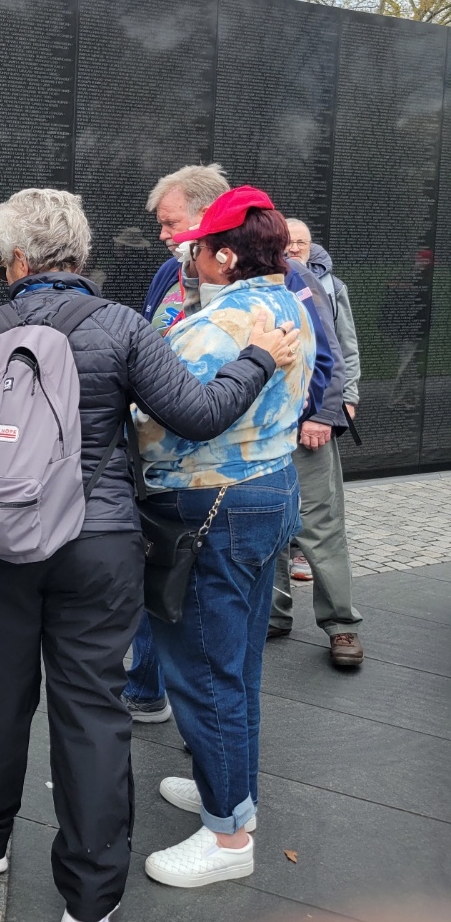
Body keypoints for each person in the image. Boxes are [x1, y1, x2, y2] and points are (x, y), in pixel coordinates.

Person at [0, 188, 300, 922]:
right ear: (82, 255)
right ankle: (92, 896)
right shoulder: (123, 327)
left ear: (15, 260)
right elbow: (195, 415)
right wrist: (259, 358)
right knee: (92, 710)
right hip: (97, 546)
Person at [136, 186, 315, 889]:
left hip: (211, 508)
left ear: (226, 255)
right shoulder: (287, 305)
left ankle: (227, 838)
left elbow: (159, 413)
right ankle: (234, 796)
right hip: (269, 495)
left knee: (205, 673)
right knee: (237, 668)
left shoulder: (220, 324)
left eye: (199, 246)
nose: (191, 256)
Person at [124, 164, 233, 724]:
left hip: (211, 477)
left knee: (201, 608)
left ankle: (210, 756)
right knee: (157, 574)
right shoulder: (170, 271)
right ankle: (145, 687)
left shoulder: (248, 285)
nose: (163, 236)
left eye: (170, 223)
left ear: (207, 215)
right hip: (158, 463)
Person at [269, 220, 364, 666]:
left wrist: (326, 413)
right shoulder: (248, 279)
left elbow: (334, 349)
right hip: (267, 430)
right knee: (269, 526)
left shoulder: (307, 280)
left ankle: (341, 625)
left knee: (321, 527)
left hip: (308, 426)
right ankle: (273, 614)